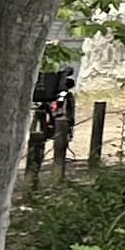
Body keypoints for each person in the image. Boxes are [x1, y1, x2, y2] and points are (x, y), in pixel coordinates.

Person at [27, 44, 81, 173]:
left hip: (44, 95)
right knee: (62, 100)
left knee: (60, 101)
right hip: (52, 94)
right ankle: (65, 127)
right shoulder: (57, 68)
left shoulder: (40, 66)